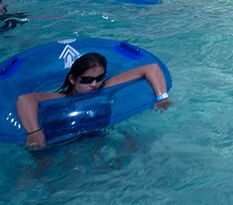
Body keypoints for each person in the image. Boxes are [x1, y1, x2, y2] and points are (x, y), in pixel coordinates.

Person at [15, 51, 171, 150]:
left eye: (99, 78)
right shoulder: (63, 98)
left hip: (101, 134)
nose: (94, 84)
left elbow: (151, 68)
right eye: (87, 80)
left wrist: (162, 97)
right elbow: (25, 99)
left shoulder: (105, 87)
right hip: (67, 142)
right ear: (72, 79)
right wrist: (34, 132)